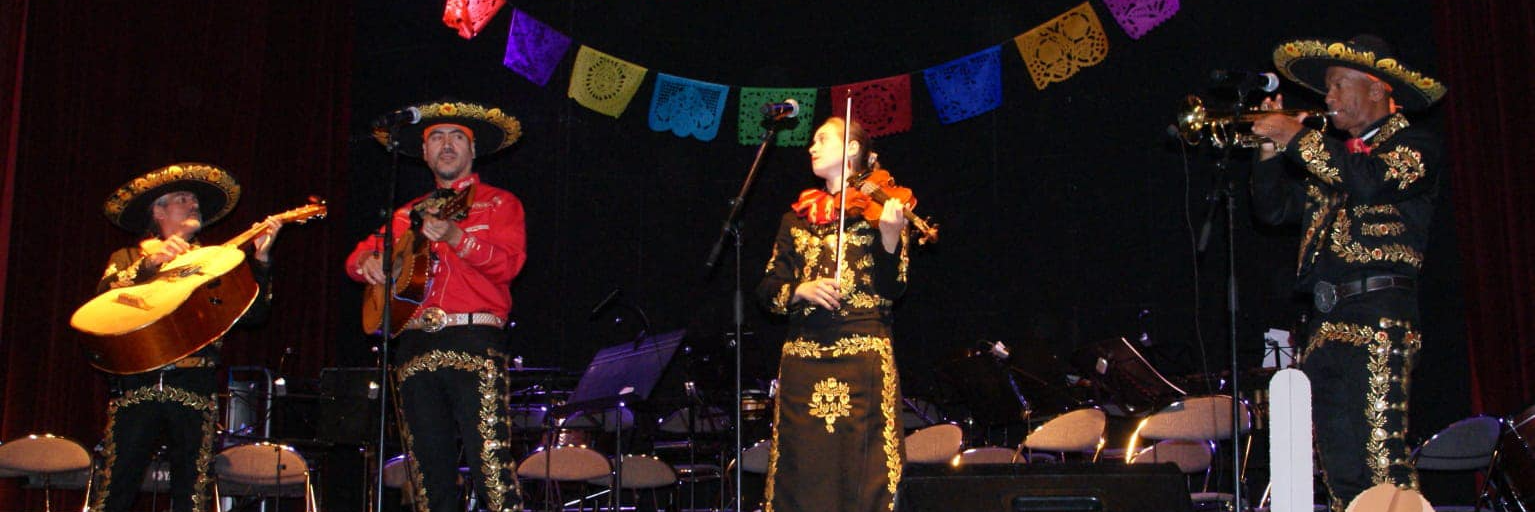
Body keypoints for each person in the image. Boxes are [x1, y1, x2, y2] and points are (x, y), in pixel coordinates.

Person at [1249, 34, 1448, 510]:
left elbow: (1370, 182)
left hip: (1379, 320)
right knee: (1340, 472)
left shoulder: (1416, 145)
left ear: (1377, 88)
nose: (1329, 99)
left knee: (1384, 461)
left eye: (1338, 86)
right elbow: (1273, 210)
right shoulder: (1333, 161)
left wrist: (1295, 136)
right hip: (1325, 328)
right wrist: (1271, 152)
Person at [346, 100, 527, 512]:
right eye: (437, 138)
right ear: (424, 152)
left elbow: (509, 265)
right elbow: (356, 258)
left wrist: (458, 238)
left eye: (457, 137)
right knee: (427, 473)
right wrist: (367, 262)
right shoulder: (406, 213)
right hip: (413, 345)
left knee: (491, 466)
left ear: (473, 150)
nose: (447, 146)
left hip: (473, 339)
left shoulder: (499, 204)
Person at [89, 163, 283, 512]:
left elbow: (254, 315)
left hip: (195, 382)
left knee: (191, 491)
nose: (193, 204)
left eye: (196, 200)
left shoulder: (215, 262)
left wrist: (262, 258)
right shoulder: (129, 258)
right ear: (158, 211)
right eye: (182, 198)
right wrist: (151, 265)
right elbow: (105, 298)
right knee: (116, 485)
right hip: (138, 382)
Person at [755, 117, 911, 512]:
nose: (811, 147)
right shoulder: (796, 217)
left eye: (822, 139)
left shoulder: (880, 209)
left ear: (853, 149)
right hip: (804, 356)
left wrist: (890, 239)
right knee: (802, 467)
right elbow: (768, 290)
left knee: (866, 469)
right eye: (812, 141)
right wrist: (799, 291)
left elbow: (895, 290)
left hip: (863, 357)